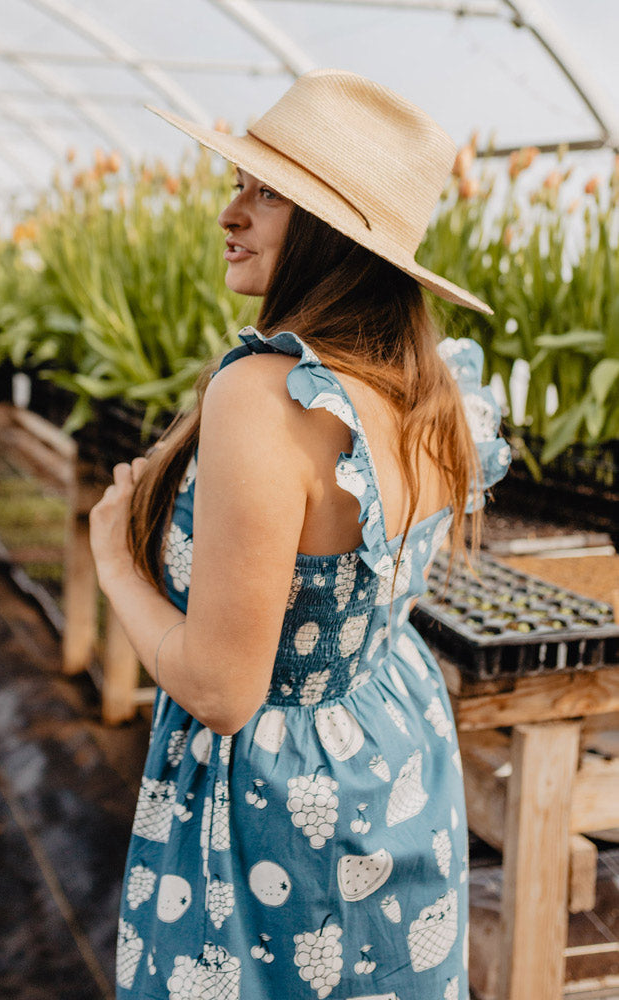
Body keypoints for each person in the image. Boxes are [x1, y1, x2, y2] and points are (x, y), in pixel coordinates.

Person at [89, 69, 510, 1000]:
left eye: (267, 191)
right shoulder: (433, 387)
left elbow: (221, 690)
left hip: (277, 806)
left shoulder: (266, 395)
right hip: (389, 752)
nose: (230, 212)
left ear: (334, 235)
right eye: (241, 182)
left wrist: (115, 560)